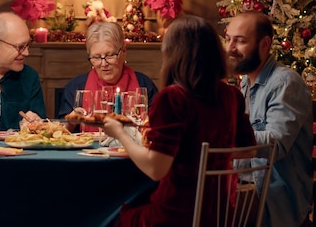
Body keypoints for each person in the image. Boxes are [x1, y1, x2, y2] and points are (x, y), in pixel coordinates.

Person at [103, 15, 256, 226]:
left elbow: (155, 170)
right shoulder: (232, 96)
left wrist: (119, 132)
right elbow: (249, 149)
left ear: (173, 54)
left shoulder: (173, 98)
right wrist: (204, 153)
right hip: (219, 214)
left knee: (107, 214)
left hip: (175, 215)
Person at [224, 11, 313, 227]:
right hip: (248, 184)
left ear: (265, 44)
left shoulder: (285, 83)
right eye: (228, 39)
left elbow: (276, 143)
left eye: (240, 41)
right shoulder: (246, 82)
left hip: (275, 197)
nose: (230, 49)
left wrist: (223, 136)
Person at [58, 22, 157, 131]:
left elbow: (158, 127)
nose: (104, 64)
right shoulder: (76, 87)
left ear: (123, 51)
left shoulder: (144, 85)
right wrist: (70, 123)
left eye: (110, 55)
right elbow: (60, 134)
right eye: (96, 57)